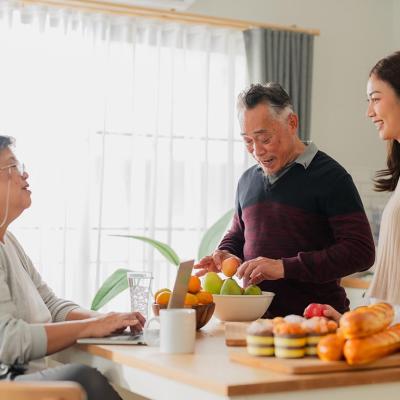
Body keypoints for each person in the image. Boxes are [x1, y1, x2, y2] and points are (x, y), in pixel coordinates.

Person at [195, 83, 375, 317]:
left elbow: (361, 252)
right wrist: (226, 253)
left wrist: (283, 267)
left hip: (317, 323)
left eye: (264, 138)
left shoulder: (332, 177)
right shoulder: (248, 181)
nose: (257, 151)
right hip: (256, 323)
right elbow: (239, 235)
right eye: (248, 141)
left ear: (291, 123)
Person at [0, 136, 145, 399]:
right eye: (14, 166)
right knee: (83, 379)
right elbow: (8, 341)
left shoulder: (8, 241)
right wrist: (89, 328)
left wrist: (104, 319)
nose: (25, 174)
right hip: (9, 386)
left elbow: (51, 306)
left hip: (25, 379)